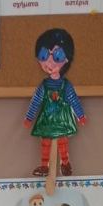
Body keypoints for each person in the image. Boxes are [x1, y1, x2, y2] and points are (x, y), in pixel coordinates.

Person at [25, 27, 85, 179]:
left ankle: (65, 163)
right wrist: (29, 117)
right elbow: (36, 101)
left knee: (62, 140)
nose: (49, 62)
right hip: (47, 118)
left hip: (62, 118)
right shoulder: (44, 85)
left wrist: (80, 115)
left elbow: (73, 99)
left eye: (57, 56)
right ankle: (44, 166)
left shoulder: (66, 85)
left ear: (66, 60)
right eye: (44, 55)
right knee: (45, 141)